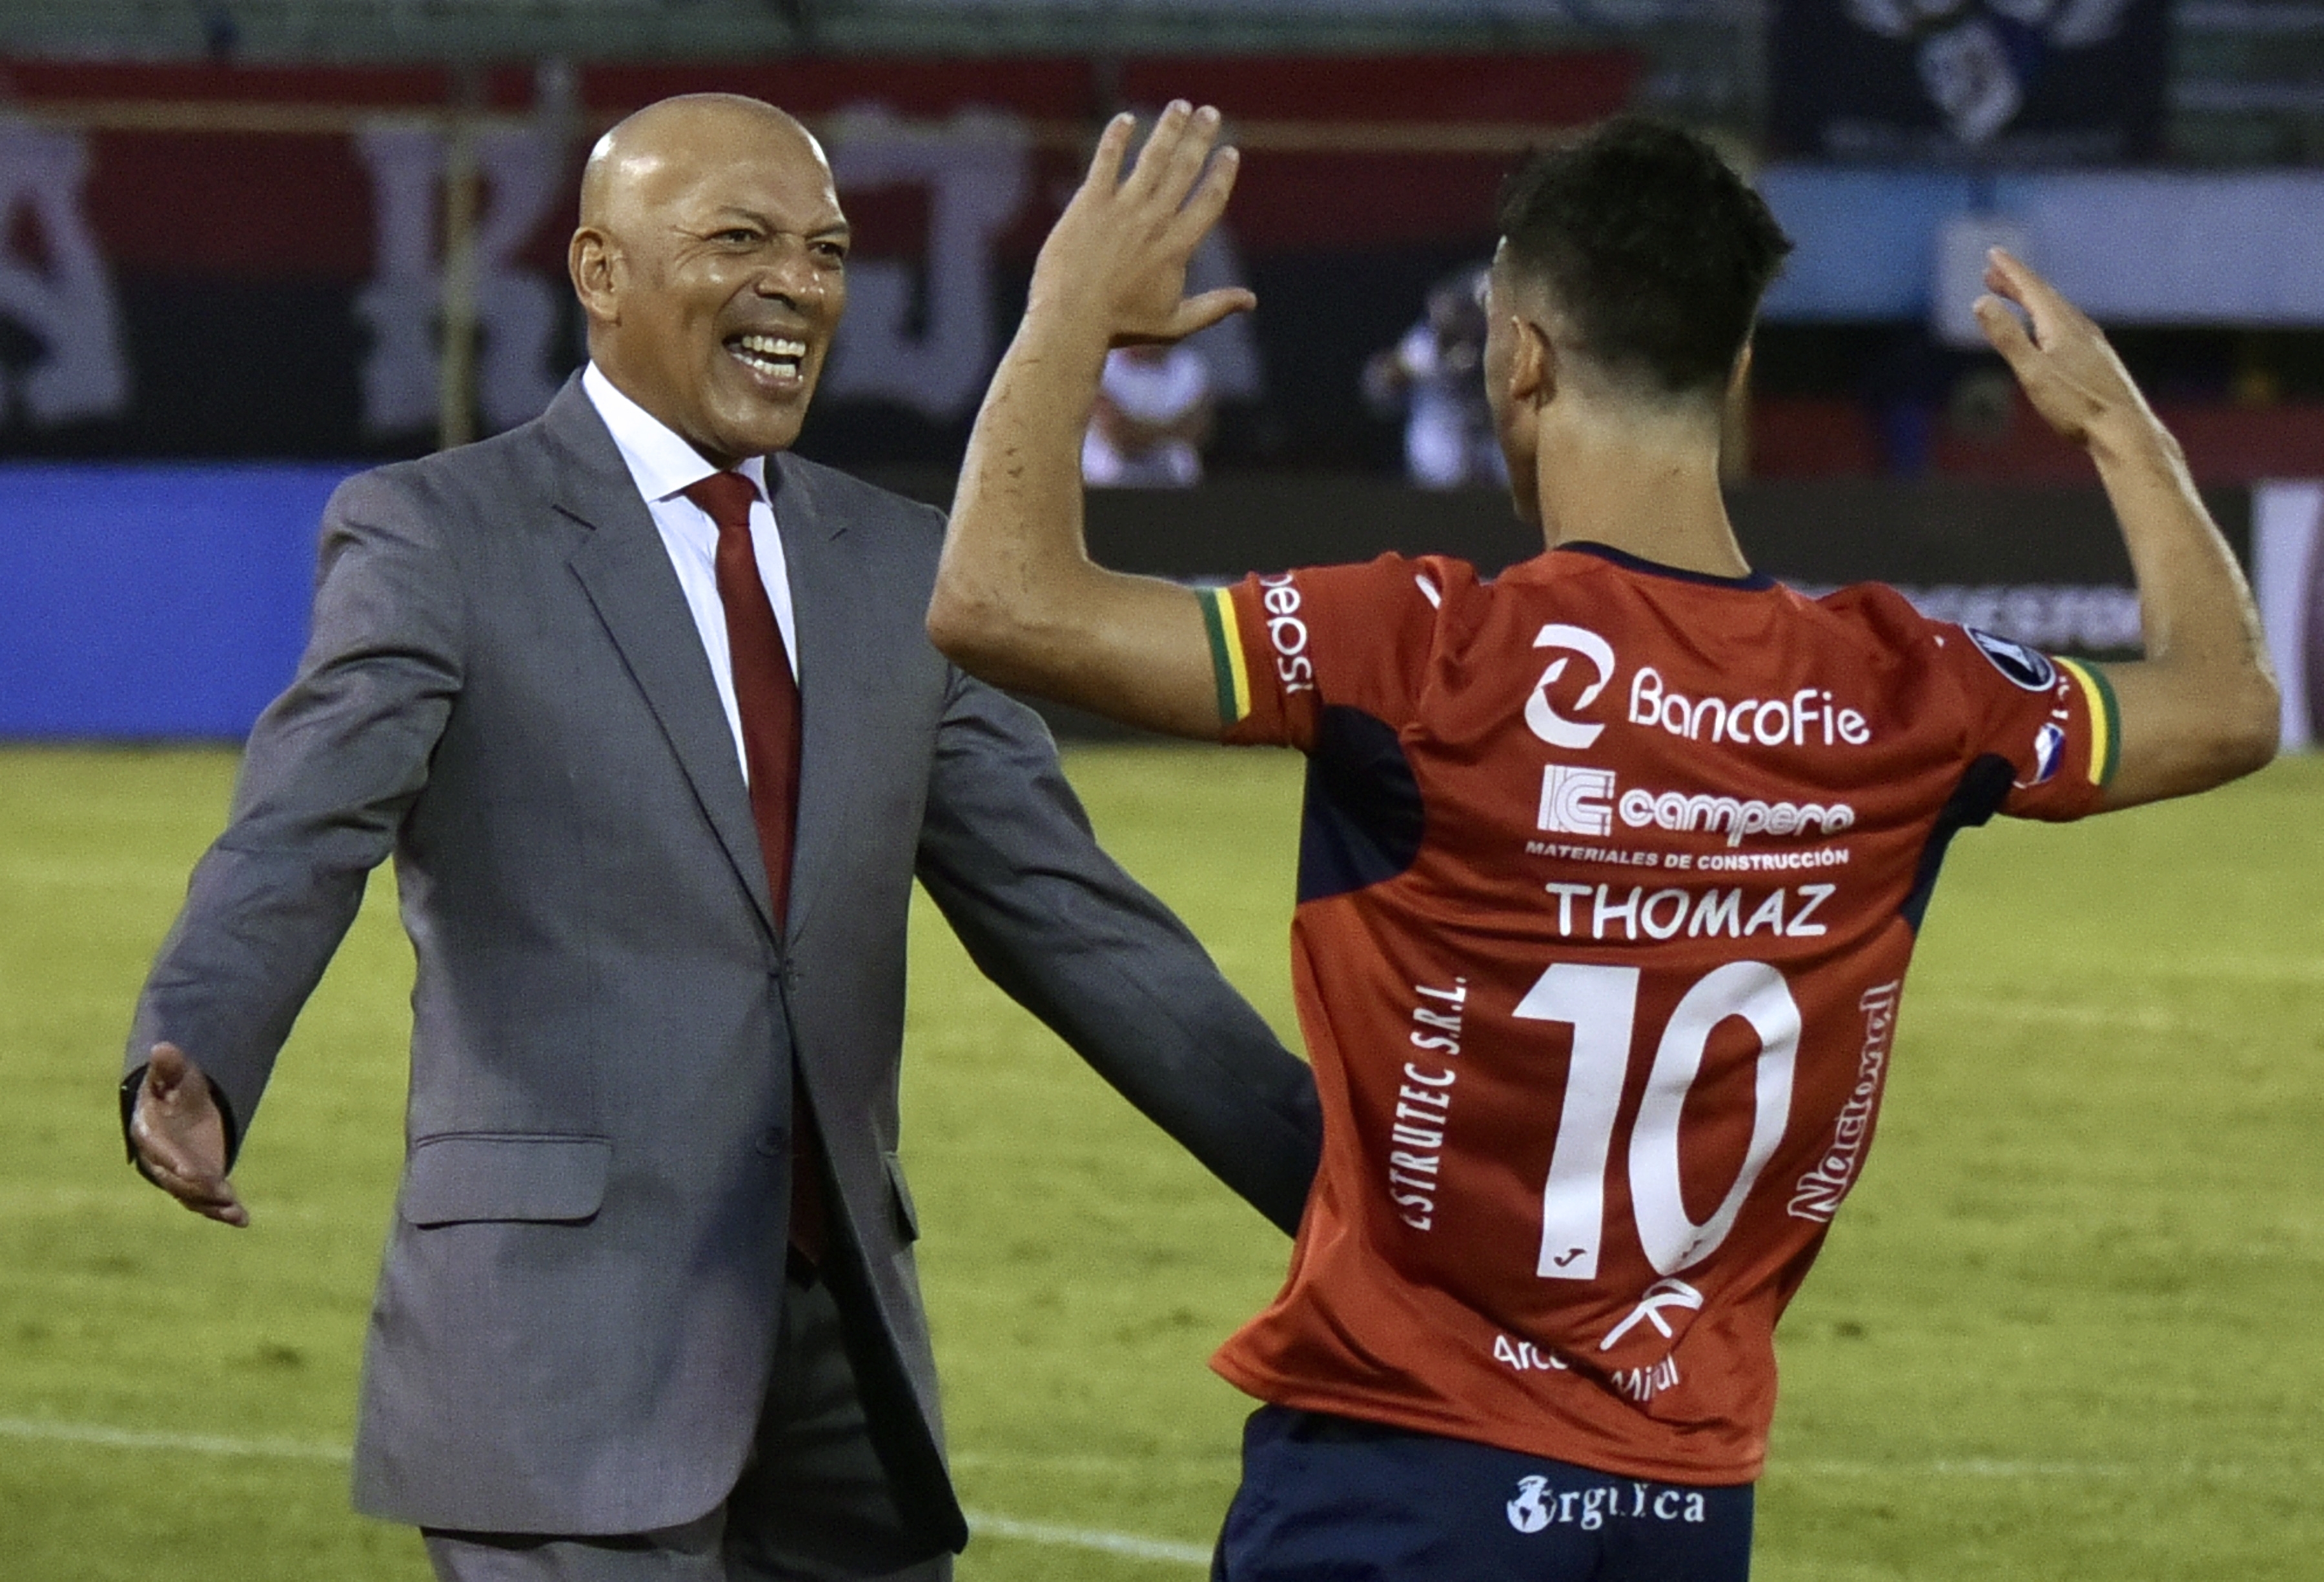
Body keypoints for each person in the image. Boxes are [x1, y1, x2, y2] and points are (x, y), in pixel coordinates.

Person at [926, 108, 2278, 1580]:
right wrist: (2114, 424)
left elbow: (1002, 602)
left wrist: (1067, 306)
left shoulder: (1427, 651)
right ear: (1738, 368)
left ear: (1521, 358)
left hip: (1400, 1474)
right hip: (1679, 1502)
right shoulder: (1906, 689)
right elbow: (2225, 704)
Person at [119, 93, 1321, 1582]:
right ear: (599, 271)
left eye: (825, 252)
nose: (799, 286)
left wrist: (1360, 1195)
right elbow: (299, 826)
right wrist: (202, 1043)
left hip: (841, 1374)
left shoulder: (899, 571)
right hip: (557, 1355)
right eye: (739, 240)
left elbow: (1081, 929)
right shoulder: (440, 534)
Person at [1361, 263, 1507, 489]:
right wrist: (1408, 367)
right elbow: (1380, 390)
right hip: (1442, 449)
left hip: (1492, 446)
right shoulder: (1426, 343)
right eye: (1464, 309)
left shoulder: (1506, 339)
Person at [1082, 341, 1214, 487]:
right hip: (1110, 485)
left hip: (1176, 484)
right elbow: (1119, 435)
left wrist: (1139, 427)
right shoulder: (1095, 364)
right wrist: (1175, 428)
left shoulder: (1189, 365)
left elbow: (1199, 430)